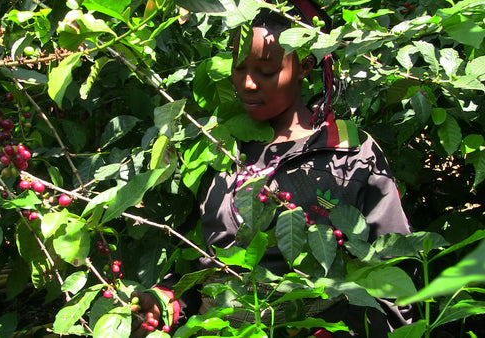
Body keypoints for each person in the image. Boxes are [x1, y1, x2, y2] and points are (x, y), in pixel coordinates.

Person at [131, 1, 413, 337]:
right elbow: (202, 263)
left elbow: (394, 281)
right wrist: (166, 301)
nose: (248, 83)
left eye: (266, 71)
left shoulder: (351, 154)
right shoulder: (218, 146)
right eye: (238, 67)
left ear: (305, 65)